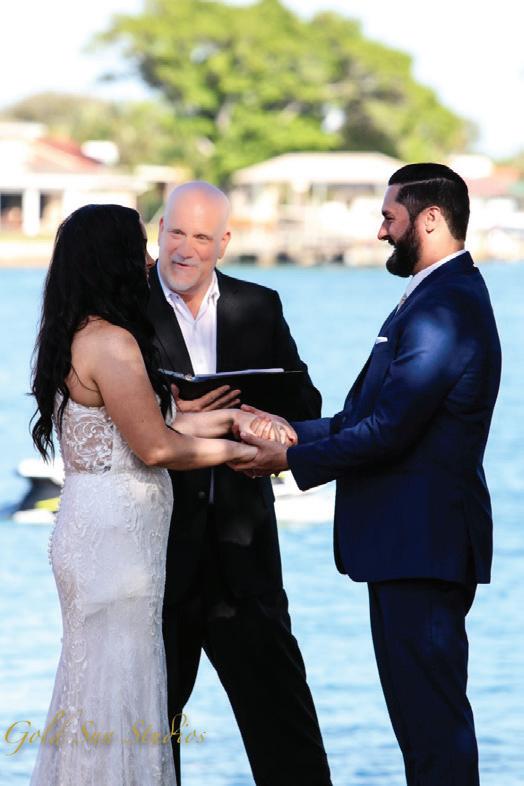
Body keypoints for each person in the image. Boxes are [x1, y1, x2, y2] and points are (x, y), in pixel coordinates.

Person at [234, 164, 502, 786]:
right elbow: (362, 419)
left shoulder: (446, 307)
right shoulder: (431, 297)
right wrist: (284, 429)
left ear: (429, 219)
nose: (381, 231)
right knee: (419, 726)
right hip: (407, 548)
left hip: (423, 548)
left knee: (433, 731)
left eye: (389, 217)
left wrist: (287, 460)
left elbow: (390, 431)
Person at [29, 203, 286, 786]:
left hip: (98, 531)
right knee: (119, 684)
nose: (149, 260)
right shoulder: (113, 341)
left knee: (99, 682)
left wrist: (230, 419)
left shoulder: (77, 333)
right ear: (111, 258)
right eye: (138, 248)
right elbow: (156, 447)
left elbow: (150, 425)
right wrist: (245, 453)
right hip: (116, 544)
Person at [148, 182, 332, 786]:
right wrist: (170, 413)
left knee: (286, 731)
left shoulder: (260, 304)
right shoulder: (124, 308)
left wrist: (255, 414)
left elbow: (306, 405)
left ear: (223, 243)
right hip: (154, 558)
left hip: (245, 552)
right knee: (152, 735)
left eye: (201, 237)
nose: (185, 249)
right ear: (159, 230)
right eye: (177, 232)